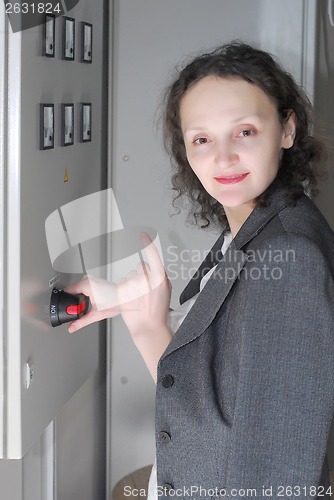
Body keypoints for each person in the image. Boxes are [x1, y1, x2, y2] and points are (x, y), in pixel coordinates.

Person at [66, 42, 334, 499]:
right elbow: (218, 414)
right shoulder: (250, 231)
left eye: (245, 132)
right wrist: (148, 323)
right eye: (202, 139)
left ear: (287, 129)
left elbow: (278, 474)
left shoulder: (290, 257)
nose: (222, 158)